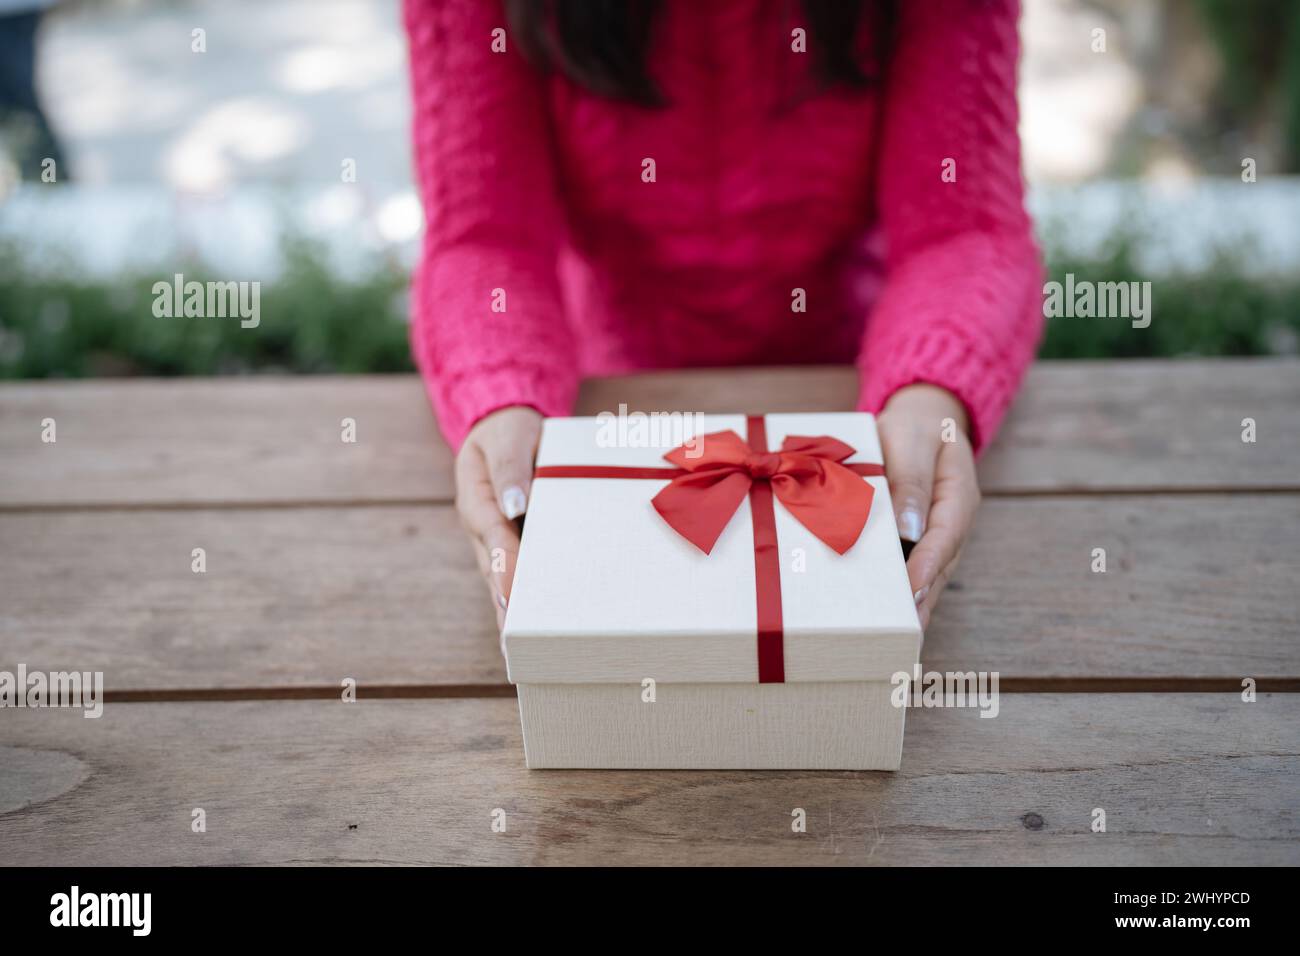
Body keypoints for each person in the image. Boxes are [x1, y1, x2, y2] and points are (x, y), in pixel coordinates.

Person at [403, 0, 1043, 632]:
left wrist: (932, 391)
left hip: (859, 397)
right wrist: (502, 392)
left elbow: (962, 232)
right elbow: (487, 239)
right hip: (604, 410)